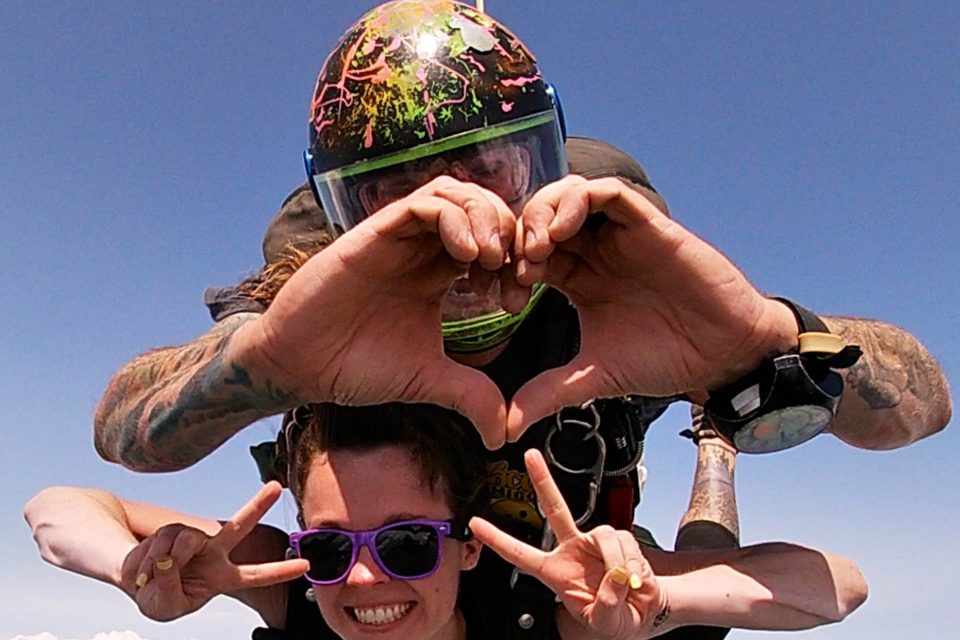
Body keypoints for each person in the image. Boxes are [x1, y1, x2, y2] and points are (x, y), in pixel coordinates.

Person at [89, 0, 947, 633]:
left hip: (580, 573)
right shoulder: (318, 291)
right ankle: (713, 446)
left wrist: (763, 343)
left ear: (544, 172)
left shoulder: (605, 297)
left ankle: (714, 446)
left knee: (696, 578)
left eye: (491, 176)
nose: (459, 231)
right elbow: (122, 428)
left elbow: (925, 403)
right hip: (456, 582)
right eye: (402, 201)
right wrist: (266, 359)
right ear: (347, 222)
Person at [27, 403, 868, 640]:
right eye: (327, 545)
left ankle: (713, 449)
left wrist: (660, 605)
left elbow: (837, 588)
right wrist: (137, 574)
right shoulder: (288, 580)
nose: (361, 577)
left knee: (689, 552)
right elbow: (54, 510)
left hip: (606, 582)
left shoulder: (552, 607)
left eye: (403, 542)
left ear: (466, 548)